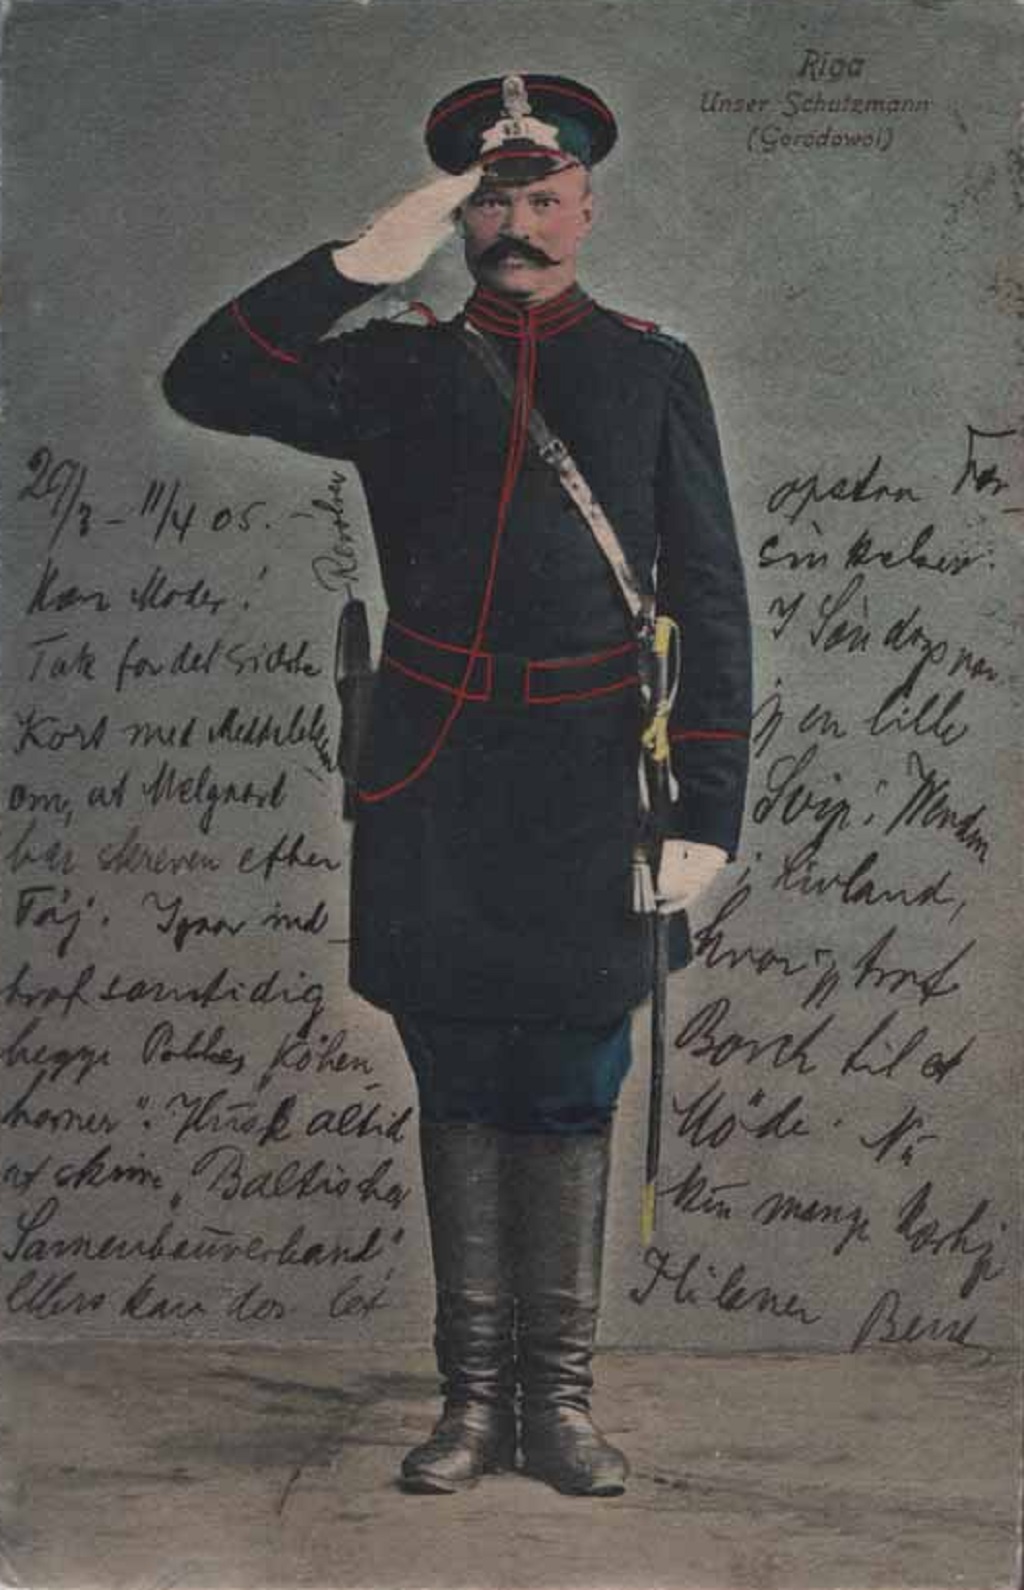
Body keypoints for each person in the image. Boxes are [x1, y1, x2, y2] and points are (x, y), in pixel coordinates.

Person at [163, 71, 752, 1498]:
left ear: (587, 208)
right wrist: (358, 262)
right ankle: (472, 1404)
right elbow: (206, 380)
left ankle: (563, 1406)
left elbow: (712, 597)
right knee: (458, 1074)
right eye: (488, 201)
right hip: (431, 774)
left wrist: (706, 815)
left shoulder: (649, 368)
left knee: (573, 1078)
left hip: (594, 781)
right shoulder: (397, 367)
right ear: (454, 217)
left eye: (542, 196)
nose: (517, 225)